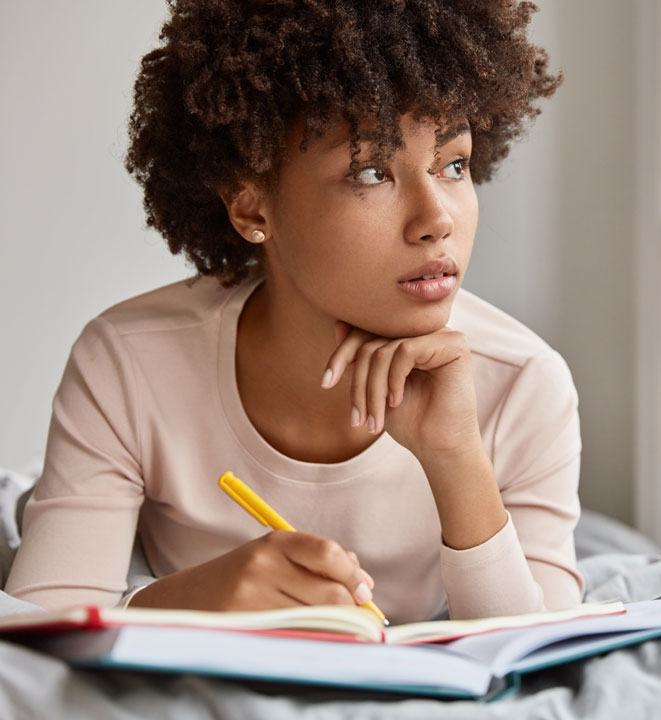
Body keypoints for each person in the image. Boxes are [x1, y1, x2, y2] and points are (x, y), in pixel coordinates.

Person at [5, 0, 583, 624]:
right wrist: (190, 603)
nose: (437, 219)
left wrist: (457, 461)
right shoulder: (128, 362)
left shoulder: (524, 382)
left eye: (454, 165)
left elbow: (542, 661)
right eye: (369, 173)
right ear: (252, 208)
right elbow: (41, 632)